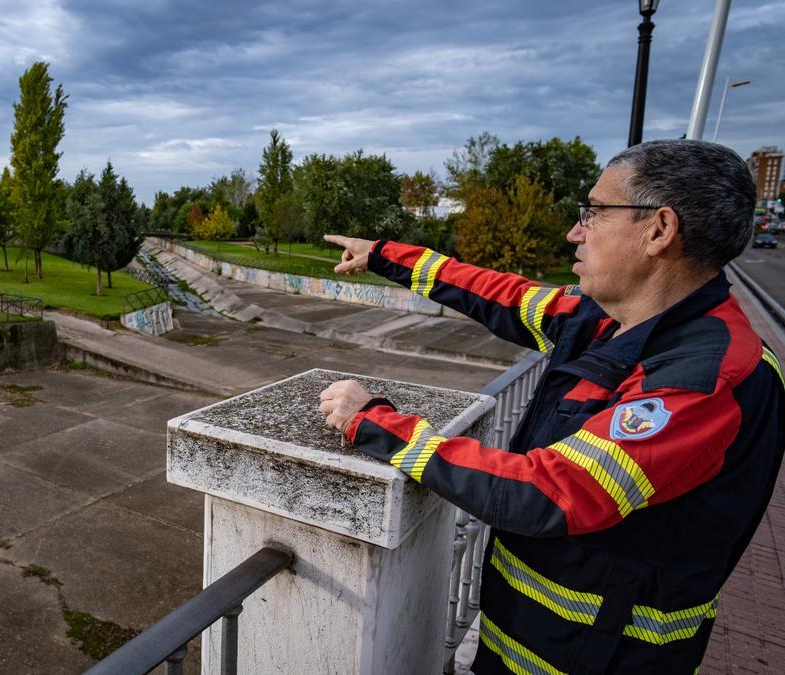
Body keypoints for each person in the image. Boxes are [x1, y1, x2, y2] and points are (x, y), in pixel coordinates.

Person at [319, 139, 784, 674]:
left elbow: (551, 492)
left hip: (599, 658)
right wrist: (383, 255)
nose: (575, 231)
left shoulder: (707, 376)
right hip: (528, 640)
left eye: (594, 212)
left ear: (658, 229)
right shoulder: (607, 319)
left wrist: (375, 421)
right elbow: (500, 295)